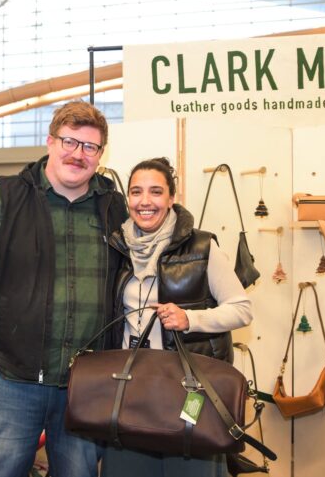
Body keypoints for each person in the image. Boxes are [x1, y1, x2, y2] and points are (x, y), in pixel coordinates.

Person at [0, 100, 127, 477]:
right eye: (69, 142)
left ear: (100, 154)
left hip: (87, 384)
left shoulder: (113, 209)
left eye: (89, 147)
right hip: (12, 379)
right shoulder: (7, 199)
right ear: (50, 142)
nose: (78, 154)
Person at [102, 157, 253, 477]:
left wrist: (191, 319)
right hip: (132, 388)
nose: (145, 201)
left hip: (189, 388)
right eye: (136, 192)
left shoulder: (202, 247)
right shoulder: (118, 247)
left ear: (172, 198)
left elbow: (242, 308)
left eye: (156, 192)